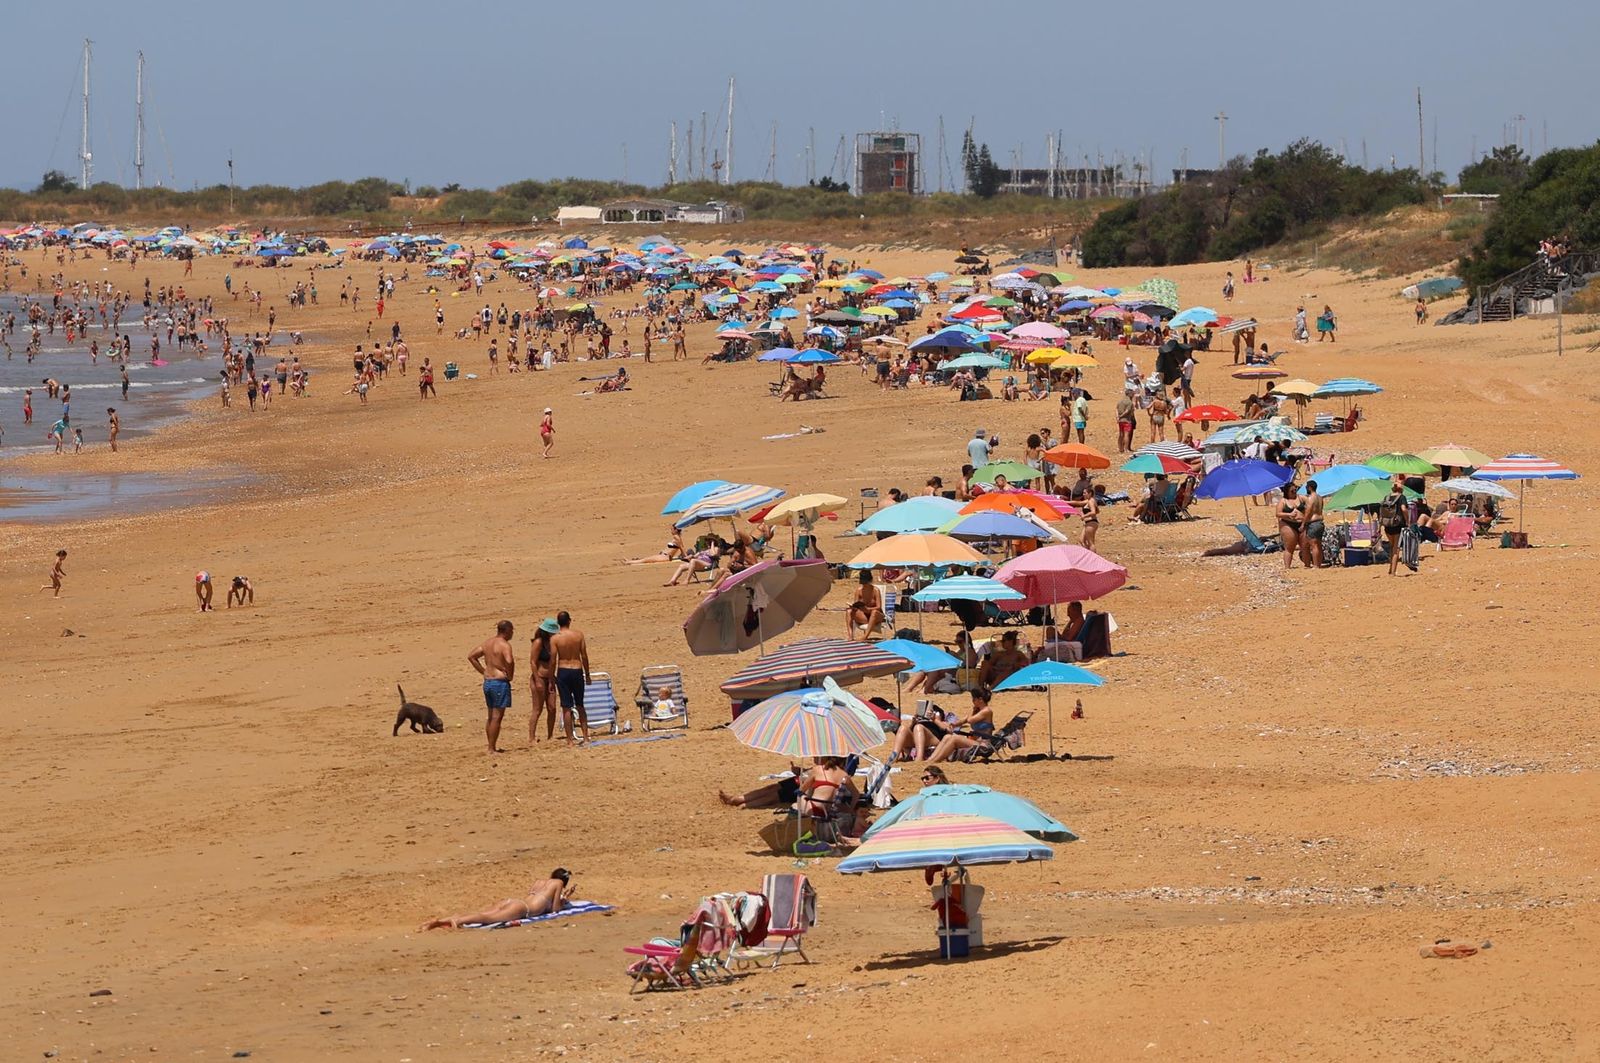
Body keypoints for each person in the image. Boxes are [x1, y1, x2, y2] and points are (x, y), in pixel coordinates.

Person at [419, 869, 575, 930]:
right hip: (523, 909)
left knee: (481, 913)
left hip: (513, 901)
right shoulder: (559, 883)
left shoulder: (540, 881)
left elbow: (537, 897)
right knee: (487, 918)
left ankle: (442, 921)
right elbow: (554, 910)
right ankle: (456, 923)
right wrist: (564, 899)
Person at [468, 619, 516, 753]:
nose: (512, 633)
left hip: (488, 682)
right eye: (512, 630)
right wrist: (510, 675)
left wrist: (484, 671)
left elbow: (472, 656)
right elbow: (509, 660)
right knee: (497, 717)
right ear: (506, 631)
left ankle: (491, 745)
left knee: (491, 716)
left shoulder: (487, 643)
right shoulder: (504, 645)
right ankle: (491, 748)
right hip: (499, 682)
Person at [924, 687, 998, 764]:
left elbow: (969, 720)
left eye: (974, 699)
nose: (972, 701)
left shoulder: (987, 711)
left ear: (980, 699)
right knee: (947, 737)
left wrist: (973, 711)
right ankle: (931, 759)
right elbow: (965, 720)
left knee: (954, 739)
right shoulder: (979, 711)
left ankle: (936, 760)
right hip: (975, 742)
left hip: (984, 745)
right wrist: (954, 725)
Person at [551, 611, 591, 746]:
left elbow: (553, 660)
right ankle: (585, 737)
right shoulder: (578, 635)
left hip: (563, 671)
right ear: (569, 621)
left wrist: (551, 677)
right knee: (580, 705)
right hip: (577, 670)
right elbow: (584, 656)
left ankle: (569, 740)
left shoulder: (555, 638)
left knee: (566, 707)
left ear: (558, 623)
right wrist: (588, 673)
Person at [529, 617, 559, 744]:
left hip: (550, 678)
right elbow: (533, 662)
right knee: (537, 708)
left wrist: (552, 679)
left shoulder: (552, 643)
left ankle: (550, 735)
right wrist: (537, 679)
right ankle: (531, 737)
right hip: (539, 677)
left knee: (552, 708)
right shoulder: (538, 642)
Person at [1379, 477, 1409, 576]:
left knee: (1392, 547)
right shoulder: (1402, 497)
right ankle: (1393, 572)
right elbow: (1404, 509)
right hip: (1397, 525)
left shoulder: (1387, 497)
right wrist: (1408, 520)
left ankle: (1390, 568)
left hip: (1388, 525)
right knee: (1396, 549)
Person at [846, 570, 886, 641]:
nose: (865, 585)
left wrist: (868, 609)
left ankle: (865, 636)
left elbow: (879, 607)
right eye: (863, 584)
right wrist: (853, 607)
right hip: (864, 616)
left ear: (870, 581)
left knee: (874, 612)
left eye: (866, 583)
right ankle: (850, 636)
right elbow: (856, 606)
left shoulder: (875, 590)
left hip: (876, 617)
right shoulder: (859, 591)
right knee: (849, 611)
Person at [1275, 481, 1303, 567]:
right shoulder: (1283, 501)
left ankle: (1307, 565)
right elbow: (1278, 514)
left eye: (1295, 490)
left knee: (1305, 547)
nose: (1294, 492)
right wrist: (1289, 514)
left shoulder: (1301, 498)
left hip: (1301, 523)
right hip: (1288, 524)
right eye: (1292, 491)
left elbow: (1310, 505)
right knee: (1290, 547)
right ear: (1287, 491)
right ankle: (1287, 567)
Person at [1300, 480, 1326, 568]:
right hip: (1320, 522)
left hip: (1313, 522)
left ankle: (1315, 565)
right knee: (1318, 544)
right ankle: (1318, 564)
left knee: (1313, 545)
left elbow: (1308, 511)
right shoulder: (1320, 497)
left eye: (1307, 487)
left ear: (1310, 487)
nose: (1306, 488)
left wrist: (1303, 523)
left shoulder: (1311, 498)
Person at [1081, 483, 1104, 551]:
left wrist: (1084, 516)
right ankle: (1088, 555)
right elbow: (1097, 511)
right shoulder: (1091, 501)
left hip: (1091, 523)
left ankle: (1092, 557)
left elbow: (1093, 512)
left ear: (1090, 493)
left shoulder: (1091, 501)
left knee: (1090, 542)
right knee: (1081, 540)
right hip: (1089, 522)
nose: (1083, 494)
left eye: (1085, 493)